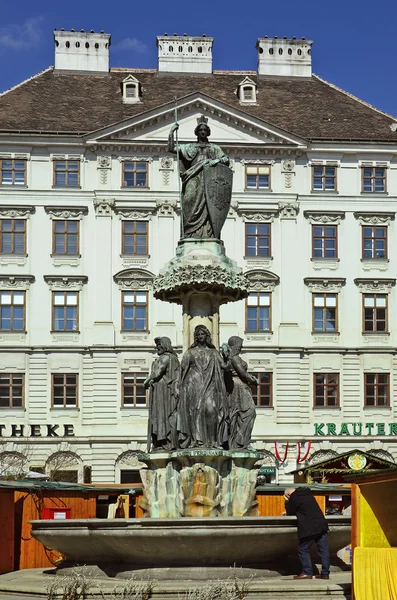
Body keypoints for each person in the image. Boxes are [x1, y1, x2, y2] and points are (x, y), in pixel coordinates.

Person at [168, 115, 231, 239]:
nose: (203, 132)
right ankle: (189, 233)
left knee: (209, 205)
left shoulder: (214, 148)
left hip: (209, 180)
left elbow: (226, 159)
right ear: (196, 132)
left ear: (208, 132)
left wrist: (216, 161)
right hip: (193, 178)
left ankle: (208, 234)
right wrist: (171, 132)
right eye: (200, 130)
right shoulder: (189, 147)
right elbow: (172, 148)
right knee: (188, 200)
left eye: (205, 130)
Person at [178, 325, 229, 448]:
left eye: (202, 334)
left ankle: (213, 441)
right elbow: (182, 371)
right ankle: (196, 441)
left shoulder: (213, 352)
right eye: (198, 334)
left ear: (207, 336)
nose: (200, 336)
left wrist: (228, 356)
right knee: (195, 412)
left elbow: (225, 366)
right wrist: (179, 387)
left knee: (211, 410)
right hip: (193, 386)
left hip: (210, 385)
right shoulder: (190, 352)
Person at [284, 487, 330, 580]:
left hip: (309, 527)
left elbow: (291, 512)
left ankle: (307, 572)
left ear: (288, 494)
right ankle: (325, 573)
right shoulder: (308, 494)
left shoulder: (294, 497)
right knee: (324, 550)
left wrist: (287, 502)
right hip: (321, 525)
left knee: (303, 548)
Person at [144, 337, 180, 451]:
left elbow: (157, 373)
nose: (157, 347)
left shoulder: (166, 358)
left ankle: (162, 441)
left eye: (159, 345)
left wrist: (146, 381)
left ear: (164, 345)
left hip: (163, 391)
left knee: (161, 415)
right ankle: (165, 440)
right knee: (163, 416)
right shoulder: (174, 358)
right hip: (166, 391)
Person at [222, 336, 257, 450]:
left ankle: (239, 442)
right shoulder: (234, 358)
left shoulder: (230, 357)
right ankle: (241, 442)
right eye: (240, 345)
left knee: (237, 415)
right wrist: (253, 380)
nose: (241, 347)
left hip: (236, 386)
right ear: (235, 345)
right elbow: (242, 373)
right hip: (238, 387)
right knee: (249, 412)